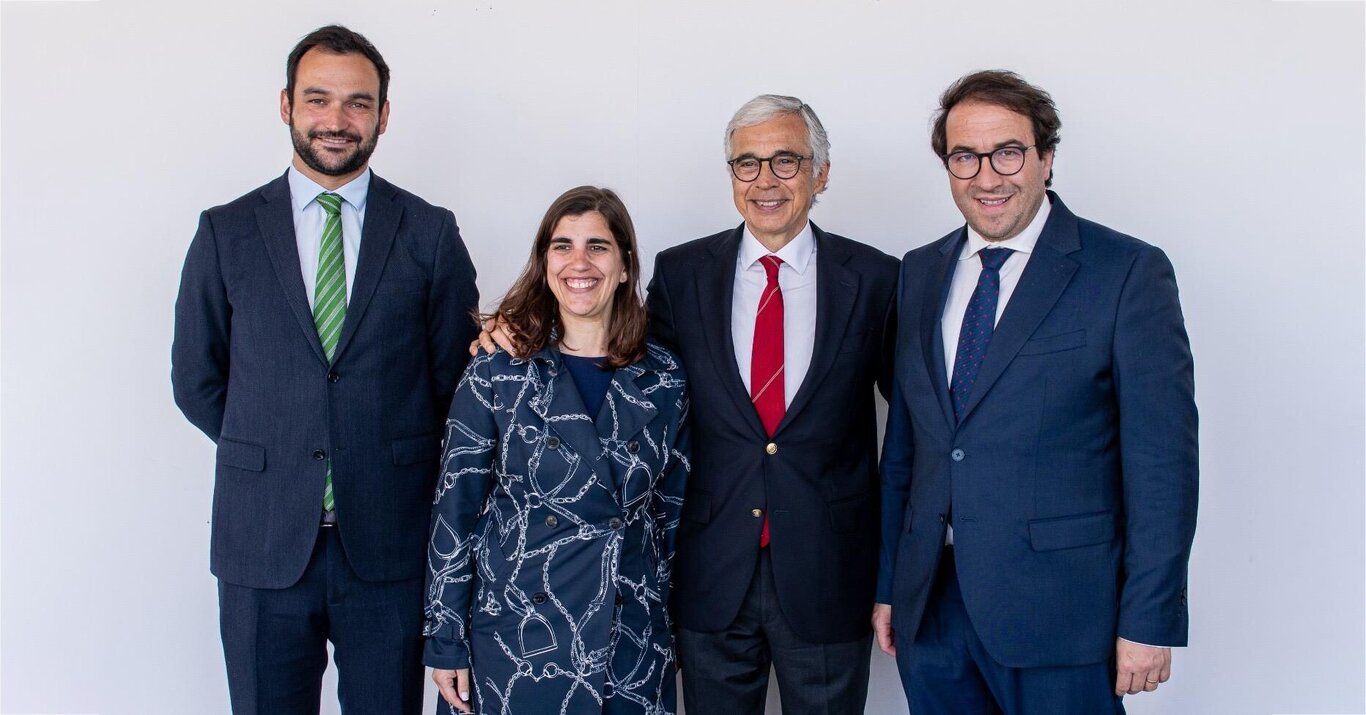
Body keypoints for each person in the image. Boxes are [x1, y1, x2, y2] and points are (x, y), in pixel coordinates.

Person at [171, 25, 479, 714]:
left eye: (357, 103)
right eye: (318, 99)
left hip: (390, 542)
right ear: (286, 105)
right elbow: (196, 378)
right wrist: (279, 448)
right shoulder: (226, 231)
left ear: (383, 115)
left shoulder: (429, 232)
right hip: (262, 541)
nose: (337, 120)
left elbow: (455, 386)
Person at [874, 69, 1198, 714]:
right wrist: (890, 583)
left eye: (1008, 152)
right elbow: (906, 446)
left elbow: (1163, 463)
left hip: (1062, 613)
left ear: (1046, 158)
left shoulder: (1126, 272)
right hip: (930, 610)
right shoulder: (919, 271)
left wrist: (1149, 617)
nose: (987, 177)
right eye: (965, 156)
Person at [647, 95, 898, 714]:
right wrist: (520, 330)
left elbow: (919, 425)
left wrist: (901, 571)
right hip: (711, 571)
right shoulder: (680, 274)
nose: (765, 181)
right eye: (747, 163)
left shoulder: (877, 279)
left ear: (821, 173)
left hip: (829, 572)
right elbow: (635, 386)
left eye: (786, 161)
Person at [424, 186, 690, 715]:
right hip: (520, 635)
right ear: (545, 262)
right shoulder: (499, 370)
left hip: (630, 635)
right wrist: (446, 638)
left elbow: (674, 517)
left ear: (624, 265)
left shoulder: (664, 378)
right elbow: (455, 510)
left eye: (598, 246)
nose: (579, 262)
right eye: (562, 246)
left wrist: (675, 628)